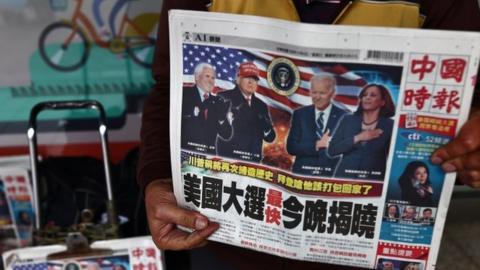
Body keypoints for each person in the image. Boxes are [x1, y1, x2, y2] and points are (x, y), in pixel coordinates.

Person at [137, 1, 480, 270]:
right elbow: (171, 87)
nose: (317, 97)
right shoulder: (243, 101)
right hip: (230, 242)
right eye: (247, 79)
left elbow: (467, 96)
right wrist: (155, 178)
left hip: (364, 249)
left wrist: (470, 149)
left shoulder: (349, 119)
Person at [328, 84, 395, 180]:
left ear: (382, 102)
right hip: (343, 179)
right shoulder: (348, 120)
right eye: (364, 95)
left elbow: (393, 158)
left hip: (372, 181)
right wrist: (358, 138)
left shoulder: (390, 125)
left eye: (373, 95)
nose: (367, 98)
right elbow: (332, 150)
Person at [286, 74, 347, 176]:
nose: (317, 97)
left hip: (331, 176)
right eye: (314, 92)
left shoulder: (344, 117)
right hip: (302, 176)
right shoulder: (300, 114)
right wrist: (317, 145)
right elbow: (291, 147)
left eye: (322, 93)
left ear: (332, 93)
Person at [216, 62, 276, 163]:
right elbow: (215, 128)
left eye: (254, 79)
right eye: (247, 77)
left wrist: (266, 128)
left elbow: (270, 138)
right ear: (238, 79)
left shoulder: (261, 105)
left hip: (253, 161)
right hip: (229, 160)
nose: (251, 82)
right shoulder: (223, 97)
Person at [181, 63, 231, 154]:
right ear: (197, 77)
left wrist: (222, 119)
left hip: (208, 158)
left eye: (213, 78)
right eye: (207, 76)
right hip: (185, 155)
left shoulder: (217, 101)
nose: (211, 81)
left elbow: (227, 135)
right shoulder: (183, 93)